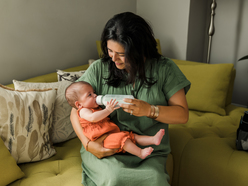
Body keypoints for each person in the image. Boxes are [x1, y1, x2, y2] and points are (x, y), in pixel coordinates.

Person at [70, 12, 191, 186]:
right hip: (107, 146)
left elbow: (182, 115)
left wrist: (150, 110)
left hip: (148, 150)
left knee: (155, 181)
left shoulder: (165, 69)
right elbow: (76, 110)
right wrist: (88, 144)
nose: (113, 58)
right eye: (110, 50)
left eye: (121, 53)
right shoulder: (99, 69)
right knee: (114, 179)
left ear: (139, 49)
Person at [65, 81, 165, 159]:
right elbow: (93, 118)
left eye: (93, 92)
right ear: (79, 104)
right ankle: (140, 153)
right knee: (124, 140)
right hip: (102, 141)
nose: (95, 95)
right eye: (89, 95)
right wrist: (107, 110)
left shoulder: (95, 108)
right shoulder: (83, 111)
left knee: (131, 136)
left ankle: (153, 139)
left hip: (110, 135)